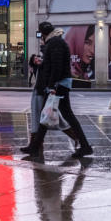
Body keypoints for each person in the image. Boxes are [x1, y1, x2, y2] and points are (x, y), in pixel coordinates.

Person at [21, 21, 92, 158]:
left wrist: (52, 86)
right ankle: (35, 147)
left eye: (40, 33)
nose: (40, 36)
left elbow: (57, 67)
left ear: (43, 33)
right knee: (47, 115)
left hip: (58, 86)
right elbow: (51, 65)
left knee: (62, 115)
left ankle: (85, 146)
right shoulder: (54, 43)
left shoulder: (55, 43)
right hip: (58, 85)